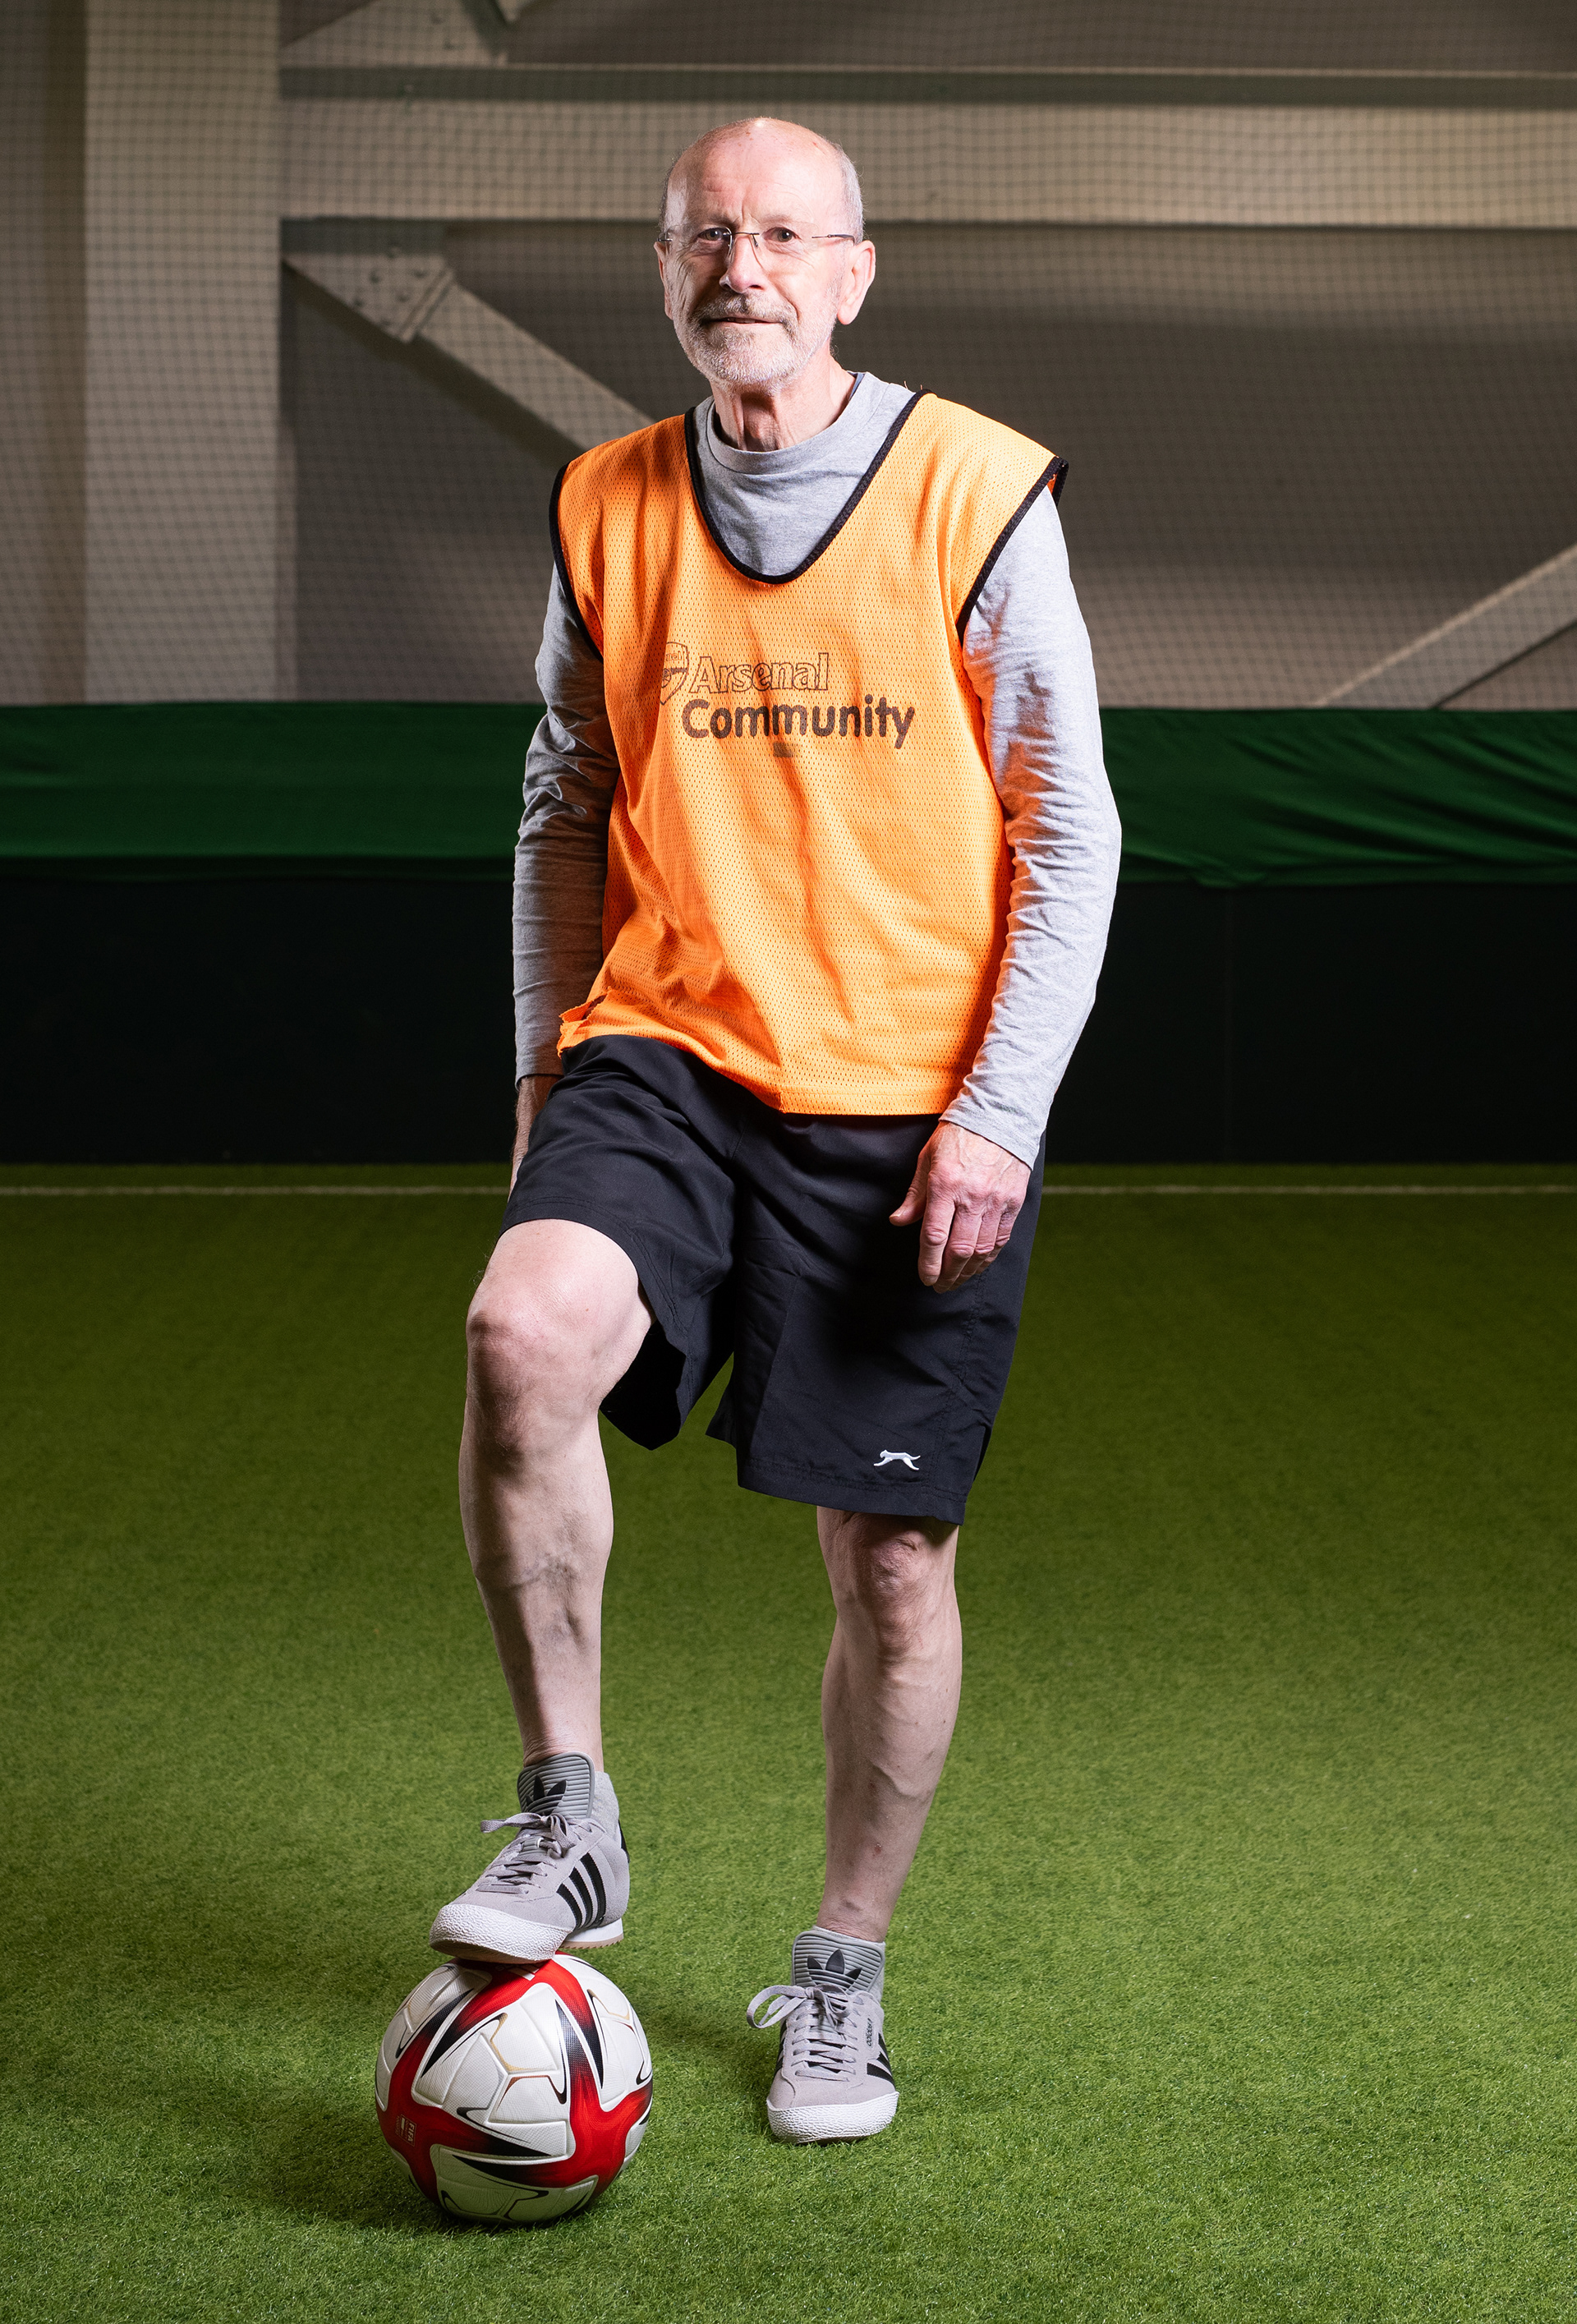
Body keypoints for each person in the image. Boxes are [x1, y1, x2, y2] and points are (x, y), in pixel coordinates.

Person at [429, 116, 1120, 2145]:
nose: (743, 259)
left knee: (891, 1558)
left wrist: (999, 1113)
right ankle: (572, 1821)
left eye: (782, 231)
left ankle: (841, 1968)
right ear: (666, 272)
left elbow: (1069, 826)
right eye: (704, 232)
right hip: (667, 1049)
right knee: (519, 1332)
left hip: (909, 1095)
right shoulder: (605, 504)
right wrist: (549, 1065)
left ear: (854, 269)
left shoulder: (978, 489)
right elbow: (563, 805)